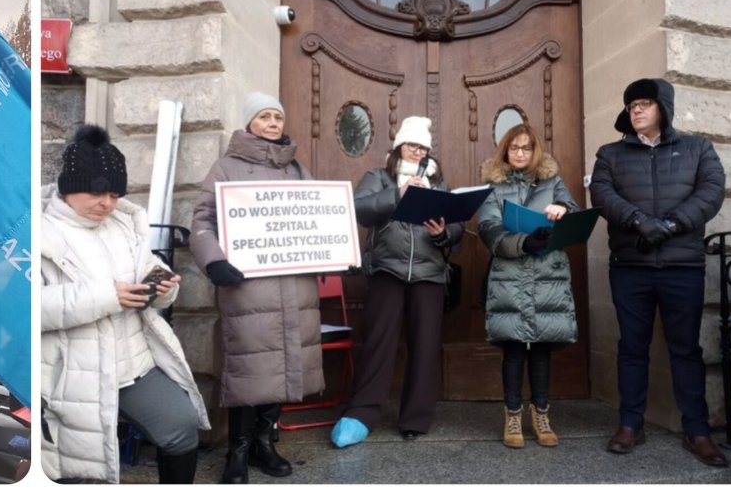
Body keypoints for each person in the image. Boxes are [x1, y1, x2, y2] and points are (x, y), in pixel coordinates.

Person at [41, 126, 207, 483]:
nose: (107, 203)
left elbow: (145, 269)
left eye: (115, 194)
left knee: (181, 426)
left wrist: (162, 285)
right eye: (98, 192)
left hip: (132, 364)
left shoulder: (124, 224)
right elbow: (28, 308)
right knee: (80, 470)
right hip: (70, 376)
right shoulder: (35, 230)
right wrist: (108, 296)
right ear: (70, 185)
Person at [588, 77, 727, 465]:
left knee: (686, 349)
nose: (636, 110)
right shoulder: (609, 154)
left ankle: (697, 431)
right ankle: (631, 424)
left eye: (644, 104)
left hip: (682, 266)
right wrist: (637, 221)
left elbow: (711, 191)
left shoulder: (698, 148)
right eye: (631, 105)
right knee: (632, 348)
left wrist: (669, 225)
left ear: (663, 108)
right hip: (630, 268)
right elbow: (602, 194)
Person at [190, 94, 321, 483]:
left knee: (285, 367)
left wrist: (337, 252)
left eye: (277, 117)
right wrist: (213, 260)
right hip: (249, 290)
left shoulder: (297, 170)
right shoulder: (226, 168)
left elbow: (318, 217)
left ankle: (265, 443)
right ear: (250, 123)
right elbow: (203, 218)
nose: (272, 123)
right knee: (249, 369)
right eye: (264, 116)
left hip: (295, 286)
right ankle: (238, 450)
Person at [331, 116, 465, 446]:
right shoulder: (378, 177)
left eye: (423, 147)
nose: (418, 151)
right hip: (386, 271)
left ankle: (416, 418)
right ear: (399, 147)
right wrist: (398, 196)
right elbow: (358, 209)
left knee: (425, 345)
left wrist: (443, 233)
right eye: (412, 145)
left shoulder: (439, 183)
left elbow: (457, 229)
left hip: (429, 274)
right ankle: (361, 413)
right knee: (377, 343)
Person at [475, 123, 578, 449]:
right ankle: (514, 416)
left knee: (543, 350)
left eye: (526, 148)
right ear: (505, 151)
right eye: (514, 148)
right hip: (510, 277)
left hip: (548, 277)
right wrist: (523, 242)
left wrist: (563, 210)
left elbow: (574, 213)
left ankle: (542, 415)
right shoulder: (493, 185)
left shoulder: (552, 180)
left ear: (536, 151)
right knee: (515, 350)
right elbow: (488, 228)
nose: (520, 153)